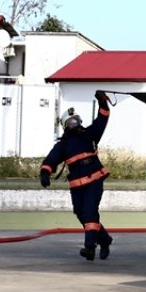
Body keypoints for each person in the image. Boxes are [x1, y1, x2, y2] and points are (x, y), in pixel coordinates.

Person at [40, 90, 113, 261]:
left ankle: (89, 247)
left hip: (94, 180)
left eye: (77, 120)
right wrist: (45, 172)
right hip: (77, 186)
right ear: (66, 125)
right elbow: (51, 159)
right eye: (71, 122)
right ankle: (105, 240)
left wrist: (102, 102)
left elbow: (102, 119)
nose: (75, 123)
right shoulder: (63, 145)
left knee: (89, 212)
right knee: (81, 214)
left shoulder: (90, 134)